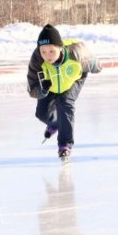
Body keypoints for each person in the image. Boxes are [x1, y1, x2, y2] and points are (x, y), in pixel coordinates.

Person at [27, 24, 101, 162]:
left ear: (60, 48)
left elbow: (92, 62)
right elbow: (32, 88)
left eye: (51, 51)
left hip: (73, 79)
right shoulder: (37, 60)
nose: (47, 56)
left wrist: (95, 66)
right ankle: (55, 124)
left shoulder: (76, 53)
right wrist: (42, 90)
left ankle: (65, 145)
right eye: (43, 52)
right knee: (42, 114)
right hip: (51, 84)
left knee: (65, 103)